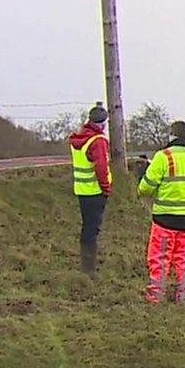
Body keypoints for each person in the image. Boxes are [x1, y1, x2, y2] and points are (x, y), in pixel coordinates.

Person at [138, 121, 185, 304]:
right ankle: (184, 296)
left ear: (171, 136)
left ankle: (156, 295)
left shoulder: (163, 157)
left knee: (160, 257)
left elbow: (145, 187)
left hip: (164, 219)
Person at [68, 103, 112, 275]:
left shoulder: (78, 139)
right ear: (103, 124)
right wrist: (106, 188)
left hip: (82, 190)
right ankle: (89, 270)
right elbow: (101, 167)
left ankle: (86, 266)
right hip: (95, 191)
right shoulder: (98, 141)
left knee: (87, 228)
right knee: (93, 230)